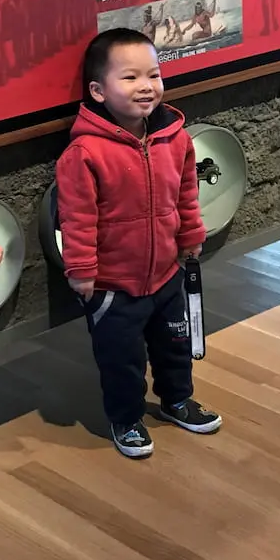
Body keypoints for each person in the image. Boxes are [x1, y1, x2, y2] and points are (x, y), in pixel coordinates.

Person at [56, 28, 222, 459]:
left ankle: (176, 400)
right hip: (114, 285)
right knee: (121, 360)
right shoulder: (85, 153)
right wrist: (81, 271)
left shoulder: (175, 138)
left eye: (154, 74)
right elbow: (77, 218)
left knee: (175, 345)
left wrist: (191, 236)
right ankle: (126, 419)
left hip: (167, 273)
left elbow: (186, 192)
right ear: (98, 91)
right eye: (130, 78)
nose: (146, 86)